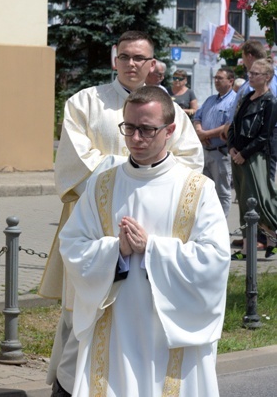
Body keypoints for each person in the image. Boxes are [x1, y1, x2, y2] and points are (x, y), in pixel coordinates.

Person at [40, 31, 203, 397]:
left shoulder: (170, 110)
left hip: (152, 234)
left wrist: (148, 183)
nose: (132, 64)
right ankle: (69, 386)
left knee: (141, 321)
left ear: (152, 64)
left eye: (140, 58)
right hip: (94, 230)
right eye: (126, 56)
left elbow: (191, 164)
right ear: (114, 59)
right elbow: (75, 165)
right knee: (82, 317)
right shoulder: (85, 103)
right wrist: (127, 171)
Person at [60, 86, 229, 397]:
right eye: (129, 128)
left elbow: (215, 259)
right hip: (115, 328)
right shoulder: (102, 185)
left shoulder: (196, 189)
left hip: (173, 332)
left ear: (170, 130)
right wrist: (116, 250)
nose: (135, 139)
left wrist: (152, 248)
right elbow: (72, 246)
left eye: (147, 130)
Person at [228, 58, 277, 260]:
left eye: (256, 73)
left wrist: (244, 154)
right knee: (244, 201)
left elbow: (265, 135)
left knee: (257, 200)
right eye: (250, 72)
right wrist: (232, 148)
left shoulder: (270, 101)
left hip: (254, 157)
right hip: (238, 156)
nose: (251, 76)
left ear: (267, 77)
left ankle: (269, 240)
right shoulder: (246, 98)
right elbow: (233, 125)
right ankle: (255, 247)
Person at [193, 67, 236, 216]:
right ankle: (206, 221)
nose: (216, 81)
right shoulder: (210, 99)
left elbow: (228, 126)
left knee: (222, 191)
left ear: (230, 81)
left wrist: (205, 134)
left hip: (221, 153)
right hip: (205, 152)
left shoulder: (234, 100)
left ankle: (222, 225)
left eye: (220, 78)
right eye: (215, 78)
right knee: (204, 190)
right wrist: (200, 132)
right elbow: (197, 117)